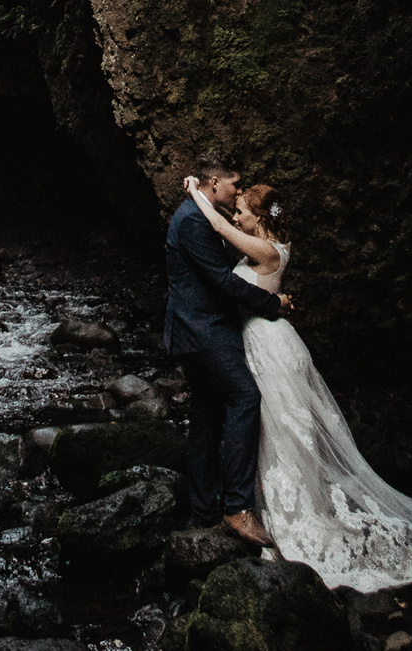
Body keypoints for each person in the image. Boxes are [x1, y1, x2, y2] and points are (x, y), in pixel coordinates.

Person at [184, 174, 412, 591]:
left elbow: (218, 228)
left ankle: (298, 516)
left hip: (271, 347)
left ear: (260, 218)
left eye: (243, 212)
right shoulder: (271, 248)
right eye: (237, 211)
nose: (237, 215)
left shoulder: (267, 251)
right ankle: (269, 509)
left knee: (285, 429)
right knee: (271, 428)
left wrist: (196, 191)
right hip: (260, 342)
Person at [164, 161, 295, 548]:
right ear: (215, 183)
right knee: (244, 397)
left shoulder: (203, 211)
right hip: (202, 329)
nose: (238, 193)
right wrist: (272, 304)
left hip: (202, 328)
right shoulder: (193, 220)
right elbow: (222, 281)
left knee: (207, 414)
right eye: (234, 186)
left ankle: (204, 511)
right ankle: (237, 508)